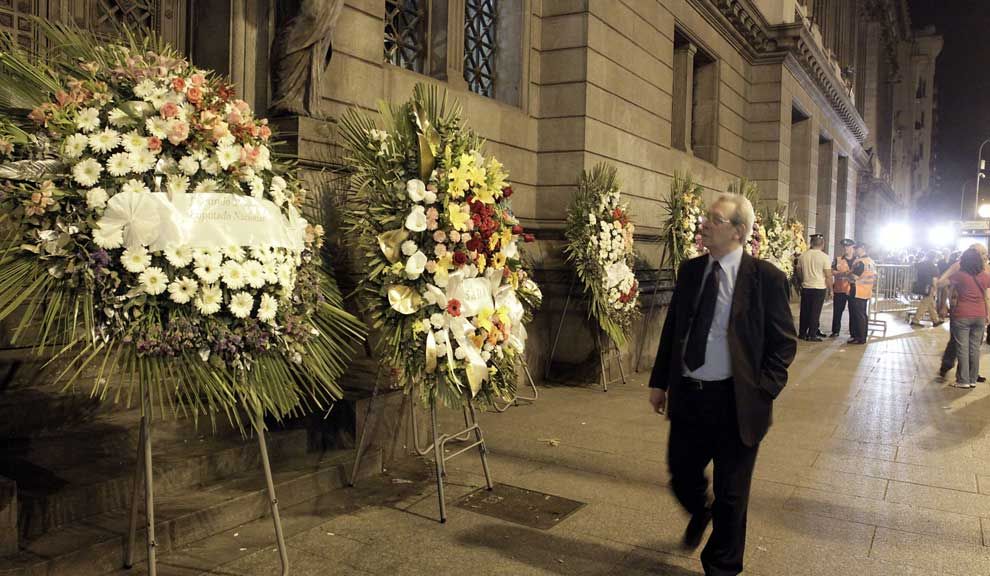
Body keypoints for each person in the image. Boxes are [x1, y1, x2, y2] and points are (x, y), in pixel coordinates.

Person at [648, 193, 797, 576]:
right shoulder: (692, 271)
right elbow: (674, 330)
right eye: (706, 218)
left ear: (739, 231)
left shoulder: (766, 279)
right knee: (681, 474)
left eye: (714, 219)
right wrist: (660, 381)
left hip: (737, 402)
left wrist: (763, 389)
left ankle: (722, 567)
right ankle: (701, 510)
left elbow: (783, 343)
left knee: (733, 496)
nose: (705, 224)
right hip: (690, 397)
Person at [935, 247, 990, 388]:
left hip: (962, 315)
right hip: (980, 315)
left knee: (962, 348)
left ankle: (963, 380)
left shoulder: (959, 275)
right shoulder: (985, 276)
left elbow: (940, 283)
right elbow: (986, 296)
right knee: (975, 349)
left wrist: (953, 268)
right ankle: (972, 379)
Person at [796, 234, 832, 341]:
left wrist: (803, 281)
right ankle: (812, 334)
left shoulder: (803, 256)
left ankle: (802, 333)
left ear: (811, 243)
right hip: (819, 287)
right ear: (822, 244)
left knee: (805, 310)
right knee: (815, 311)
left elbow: (798, 271)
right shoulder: (824, 257)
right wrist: (831, 289)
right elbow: (828, 275)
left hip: (806, 286)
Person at [847, 243, 876, 345]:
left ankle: (859, 337)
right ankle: (862, 336)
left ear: (862, 248)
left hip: (857, 290)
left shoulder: (861, 262)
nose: (855, 250)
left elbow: (853, 277)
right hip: (865, 290)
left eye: (856, 248)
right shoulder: (871, 262)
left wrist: (848, 275)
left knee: (857, 315)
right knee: (862, 314)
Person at [830, 239, 856, 337]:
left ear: (853, 248)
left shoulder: (857, 260)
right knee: (837, 311)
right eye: (845, 247)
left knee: (853, 312)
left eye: (848, 247)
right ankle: (835, 331)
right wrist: (843, 273)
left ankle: (853, 332)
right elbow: (832, 271)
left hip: (853, 290)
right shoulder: (838, 259)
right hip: (840, 289)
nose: (846, 249)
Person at [912, 251, 943, 327]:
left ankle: (936, 320)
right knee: (925, 303)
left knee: (930, 303)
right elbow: (934, 279)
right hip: (929, 286)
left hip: (921, 285)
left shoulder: (921, 264)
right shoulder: (933, 266)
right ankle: (915, 320)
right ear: (934, 258)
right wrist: (935, 288)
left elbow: (914, 266)